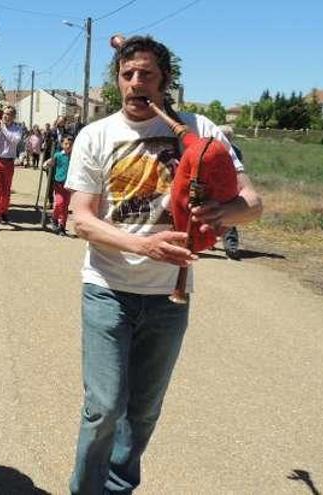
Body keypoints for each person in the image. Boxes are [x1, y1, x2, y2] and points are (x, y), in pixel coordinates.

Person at [64, 35, 262, 494]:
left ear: (165, 82)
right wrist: (143, 246)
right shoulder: (96, 135)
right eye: (127, 75)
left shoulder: (203, 131)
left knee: (144, 412)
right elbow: (82, 220)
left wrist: (223, 214)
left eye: (146, 75)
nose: (136, 84)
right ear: (117, 80)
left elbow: (251, 201)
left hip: (169, 299)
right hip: (107, 289)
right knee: (104, 407)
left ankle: (118, 488)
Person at [0, 104, 22, 232]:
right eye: (4, 113)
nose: (5, 116)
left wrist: (4, 130)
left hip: (8, 162)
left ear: (13, 116)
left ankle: (4, 210)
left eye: (8, 114)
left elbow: (14, 141)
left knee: (6, 190)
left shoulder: (17, 129)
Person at [218, 125, 244, 260]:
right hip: (225, 187)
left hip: (225, 187)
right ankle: (230, 247)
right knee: (227, 216)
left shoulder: (234, 151)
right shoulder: (236, 150)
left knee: (225, 216)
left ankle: (230, 246)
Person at [43, 134, 74, 235]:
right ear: (62, 144)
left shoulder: (74, 156)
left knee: (65, 205)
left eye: (70, 144)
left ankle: (62, 226)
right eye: (66, 144)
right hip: (59, 183)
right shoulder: (58, 155)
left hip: (69, 184)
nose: (68, 146)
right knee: (60, 203)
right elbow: (50, 162)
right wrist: (46, 164)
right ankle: (55, 218)